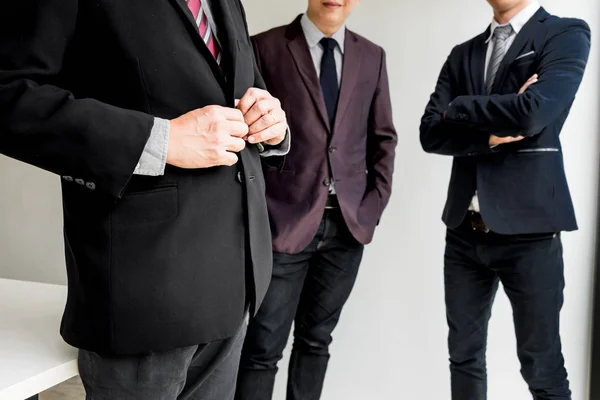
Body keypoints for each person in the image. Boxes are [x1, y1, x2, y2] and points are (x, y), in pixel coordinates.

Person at [0, 0, 290, 398]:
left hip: (234, 284)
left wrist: (273, 126)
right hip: (143, 293)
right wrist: (161, 141)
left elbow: (235, 88)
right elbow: (8, 95)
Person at [420, 0, 590, 399]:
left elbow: (533, 113)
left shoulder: (565, 33)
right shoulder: (463, 53)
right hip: (464, 232)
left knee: (541, 364)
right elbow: (430, 133)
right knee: (463, 356)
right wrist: (492, 133)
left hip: (530, 232)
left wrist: (459, 108)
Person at [235, 1, 397, 399]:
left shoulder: (371, 56)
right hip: (281, 226)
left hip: (346, 228)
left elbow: (383, 139)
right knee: (261, 349)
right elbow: (247, 139)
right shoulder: (265, 47)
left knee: (316, 341)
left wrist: (370, 208)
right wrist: (258, 214)